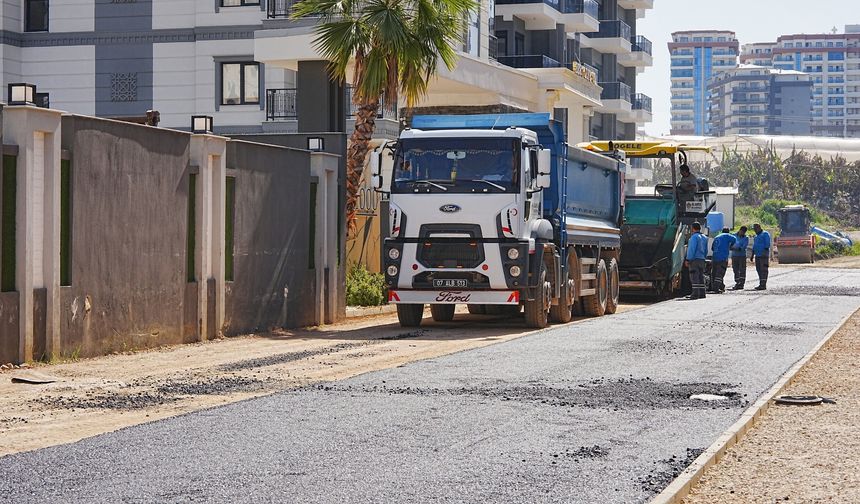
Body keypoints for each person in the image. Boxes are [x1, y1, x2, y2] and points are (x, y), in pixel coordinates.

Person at [685, 222, 708, 299]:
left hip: (694, 260)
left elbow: (691, 249)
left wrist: (688, 259)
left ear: (692, 228)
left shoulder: (694, 237)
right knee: (701, 276)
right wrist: (703, 257)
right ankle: (702, 293)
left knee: (694, 276)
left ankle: (695, 294)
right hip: (702, 259)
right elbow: (706, 250)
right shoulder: (704, 237)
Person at [710, 227, 736, 293]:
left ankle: (720, 286)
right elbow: (734, 239)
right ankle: (716, 288)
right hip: (722, 258)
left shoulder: (716, 237)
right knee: (720, 273)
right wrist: (730, 246)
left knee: (714, 272)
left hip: (715, 257)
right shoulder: (727, 235)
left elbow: (712, 248)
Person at [752, 223, 771, 291]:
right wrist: (752, 255)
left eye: (755, 228)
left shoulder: (765, 234)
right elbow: (754, 246)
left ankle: (763, 284)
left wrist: (764, 252)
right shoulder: (756, 236)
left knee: (764, 270)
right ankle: (761, 283)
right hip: (757, 255)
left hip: (763, 255)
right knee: (759, 269)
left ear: (759, 227)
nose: (754, 230)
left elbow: (767, 244)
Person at [730, 226, 749, 290]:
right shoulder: (733, 236)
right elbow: (730, 244)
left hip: (742, 256)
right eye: (742, 232)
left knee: (742, 270)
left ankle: (741, 283)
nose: (742, 233)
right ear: (740, 230)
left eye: (744, 232)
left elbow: (743, 247)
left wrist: (736, 248)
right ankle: (737, 282)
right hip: (734, 256)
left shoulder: (746, 238)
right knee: (735, 269)